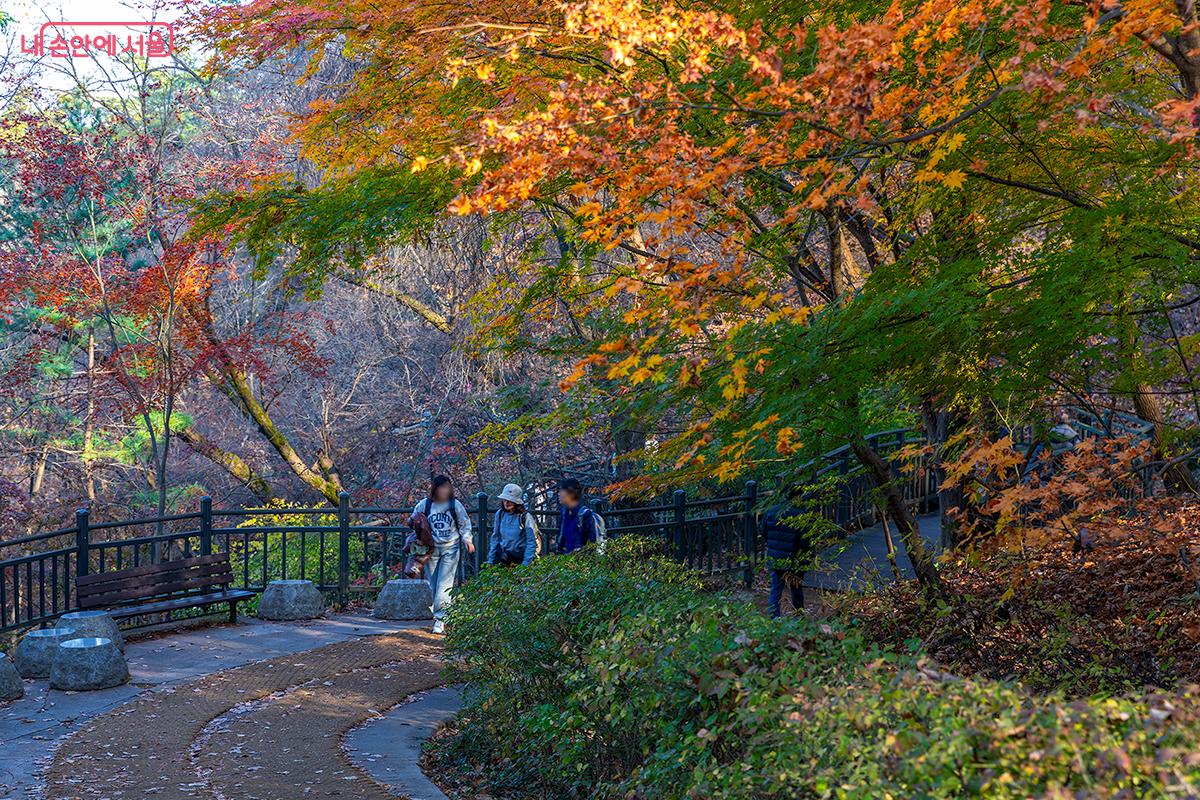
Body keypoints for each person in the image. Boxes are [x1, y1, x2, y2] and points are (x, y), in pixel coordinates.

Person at [413, 474, 474, 634]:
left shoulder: (455, 505)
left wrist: (467, 540)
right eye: (441, 487)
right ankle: (445, 611)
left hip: (450, 548)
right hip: (430, 549)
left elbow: (464, 523)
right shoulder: (424, 504)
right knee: (434, 584)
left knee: (444, 585)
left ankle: (441, 620)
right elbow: (414, 520)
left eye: (447, 487)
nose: (444, 490)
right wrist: (418, 530)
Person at [762, 501, 816, 618]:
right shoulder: (799, 514)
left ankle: (774, 619)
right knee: (796, 589)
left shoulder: (770, 511)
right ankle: (799, 616)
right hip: (795, 558)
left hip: (776, 556)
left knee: (775, 590)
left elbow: (763, 531)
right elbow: (805, 541)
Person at [489, 483, 540, 567]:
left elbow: (531, 541)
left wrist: (526, 564)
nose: (507, 503)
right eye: (505, 499)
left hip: (519, 558)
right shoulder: (500, 514)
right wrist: (491, 559)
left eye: (510, 500)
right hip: (503, 556)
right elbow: (495, 537)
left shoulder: (525, 517)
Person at [556, 477, 598, 554]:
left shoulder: (585, 514)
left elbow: (592, 543)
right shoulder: (564, 513)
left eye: (562, 490)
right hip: (566, 560)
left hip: (581, 561)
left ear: (571, 493)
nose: (559, 494)